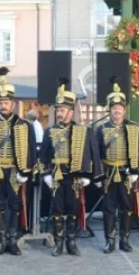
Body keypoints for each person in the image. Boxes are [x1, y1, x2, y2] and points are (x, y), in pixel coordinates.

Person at [40, 78, 100, 257]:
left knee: (73, 210)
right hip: (57, 175)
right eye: (58, 109)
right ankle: (58, 243)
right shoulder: (49, 131)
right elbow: (43, 156)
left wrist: (88, 174)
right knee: (57, 211)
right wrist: (46, 175)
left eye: (63, 110)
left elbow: (92, 153)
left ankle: (71, 243)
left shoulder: (83, 130)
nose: (59, 113)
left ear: (71, 112)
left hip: (75, 176)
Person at [0, 67, 36, 256]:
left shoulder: (24, 125)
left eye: (6, 102)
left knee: (15, 206)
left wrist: (26, 172)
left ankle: (13, 241)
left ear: (13, 104)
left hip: (15, 171)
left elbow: (30, 150)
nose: (3, 105)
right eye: (1, 102)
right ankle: (2, 242)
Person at [94, 76, 139, 254]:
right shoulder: (101, 129)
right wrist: (97, 174)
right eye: (114, 108)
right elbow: (96, 154)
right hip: (109, 172)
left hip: (126, 173)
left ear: (124, 110)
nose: (117, 111)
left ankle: (124, 240)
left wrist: (136, 171)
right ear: (109, 110)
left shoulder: (135, 128)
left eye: (120, 108)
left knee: (127, 207)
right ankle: (110, 241)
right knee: (108, 208)